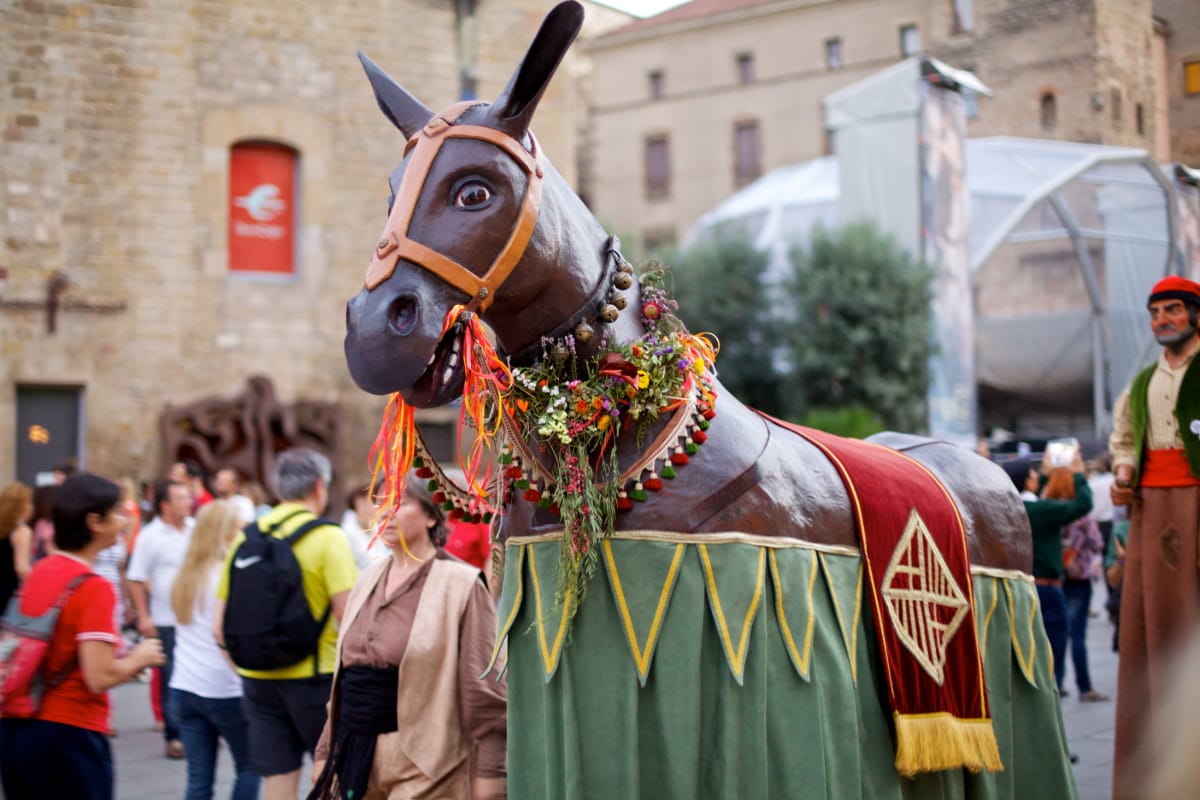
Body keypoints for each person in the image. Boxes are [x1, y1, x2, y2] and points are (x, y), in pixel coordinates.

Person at [310, 476, 506, 800]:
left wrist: (489, 778)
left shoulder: (461, 585)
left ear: (431, 516)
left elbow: (485, 693)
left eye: (398, 502)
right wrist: (323, 754)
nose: (385, 511)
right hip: (353, 754)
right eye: (378, 501)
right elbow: (343, 682)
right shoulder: (367, 579)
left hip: (428, 766)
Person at [0, 473, 165, 800]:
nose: (124, 520)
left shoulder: (41, 571)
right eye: (117, 512)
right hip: (69, 733)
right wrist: (141, 657)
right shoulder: (93, 588)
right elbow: (99, 676)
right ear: (94, 522)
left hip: (16, 726)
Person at [215, 448, 357, 800]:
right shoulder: (328, 537)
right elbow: (349, 616)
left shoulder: (248, 537)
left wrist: (246, 665)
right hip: (315, 678)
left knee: (278, 776)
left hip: (258, 681)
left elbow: (219, 626)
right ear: (319, 487)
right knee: (332, 773)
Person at [1109, 275, 1200, 796]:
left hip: (1196, 503)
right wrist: (1124, 477)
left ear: (1193, 315)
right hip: (1151, 511)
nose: (1162, 320)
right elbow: (1124, 438)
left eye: (1172, 310)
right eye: (1155, 312)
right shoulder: (1142, 382)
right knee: (1150, 628)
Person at [169, 500, 260, 800]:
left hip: (184, 686)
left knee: (198, 780)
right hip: (224, 687)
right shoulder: (228, 575)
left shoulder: (184, 576)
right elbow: (228, 633)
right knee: (250, 767)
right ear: (224, 534)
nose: (244, 534)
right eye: (239, 528)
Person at [1002, 454, 1092, 697]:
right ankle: (1052, 689)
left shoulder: (1008, 506)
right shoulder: (1040, 510)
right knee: (1056, 641)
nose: (1037, 478)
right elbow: (1082, 505)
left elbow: (1032, 489)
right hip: (1048, 589)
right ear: (1027, 482)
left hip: (1022, 585)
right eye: (1033, 475)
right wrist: (1078, 475)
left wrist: (1043, 473)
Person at [127, 479, 194, 759]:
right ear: (165, 505)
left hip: (195, 620)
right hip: (165, 619)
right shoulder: (150, 535)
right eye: (181, 498)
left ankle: (196, 731)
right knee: (169, 679)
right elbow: (135, 578)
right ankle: (175, 735)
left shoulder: (195, 529)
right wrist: (143, 615)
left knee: (194, 675)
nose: (188, 502)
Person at [1048, 474, 1108, 703]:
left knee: (1058, 633)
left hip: (1057, 577)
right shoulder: (1081, 514)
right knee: (1078, 634)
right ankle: (1084, 687)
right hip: (1080, 577)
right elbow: (1097, 542)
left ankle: (1057, 683)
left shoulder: (1050, 510)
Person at [0, 482, 34, 613]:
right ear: (21, 506)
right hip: (8, 593)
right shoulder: (21, 531)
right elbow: (22, 568)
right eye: (29, 503)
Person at [340, 483, 387, 569]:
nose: (368, 509)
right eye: (363, 505)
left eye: (371, 504)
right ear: (355, 508)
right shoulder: (347, 534)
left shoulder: (378, 528)